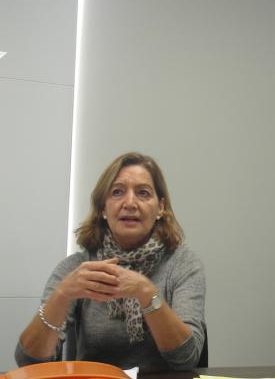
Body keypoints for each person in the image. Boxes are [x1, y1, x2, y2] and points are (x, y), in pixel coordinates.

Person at [15, 152, 206, 371]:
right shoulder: (77, 267)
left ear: (160, 207)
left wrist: (145, 292)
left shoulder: (183, 264)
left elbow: (186, 358)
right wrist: (62, 295)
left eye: (143, 193)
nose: (130, 203)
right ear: (103, 209)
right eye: (117, 192)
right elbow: (29, 361)